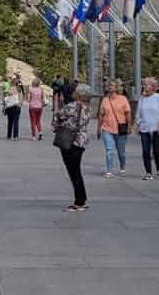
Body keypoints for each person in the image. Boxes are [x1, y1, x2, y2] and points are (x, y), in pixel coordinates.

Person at [52, 81, 91, 211]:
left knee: (73, 172)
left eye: (75, 91)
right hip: (81, 141)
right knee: (76, 171)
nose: (73, 93)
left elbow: (58, 115)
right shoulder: (87, 107)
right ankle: (82, 199)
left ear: (79, 94)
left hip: (70, 141)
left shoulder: (72, 106)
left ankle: (79, 202)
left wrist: (57, 111)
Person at [97, 78, 131, 177]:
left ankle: (122, 167)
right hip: (107, 129)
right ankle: (109, 171)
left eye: (111, 85)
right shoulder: (104, 100)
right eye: (108, 85)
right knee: (109, 150)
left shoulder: (123, 99)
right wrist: (99, 128)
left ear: (116, 88)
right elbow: (101, 115)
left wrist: (129, 126)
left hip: (121, 130)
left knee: (121, 152)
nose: (109, 87)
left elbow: (128, 114)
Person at [136, 76, 159, 180]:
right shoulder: (142, 98)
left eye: (146, 84)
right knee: (145, 151)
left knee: (157, 150)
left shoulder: (158, 97)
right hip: (145, 128)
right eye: (143, 84)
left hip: (157, 128)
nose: (144, 86)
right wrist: (138, 124)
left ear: (153, 86)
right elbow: (138, 114)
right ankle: (148, 173)